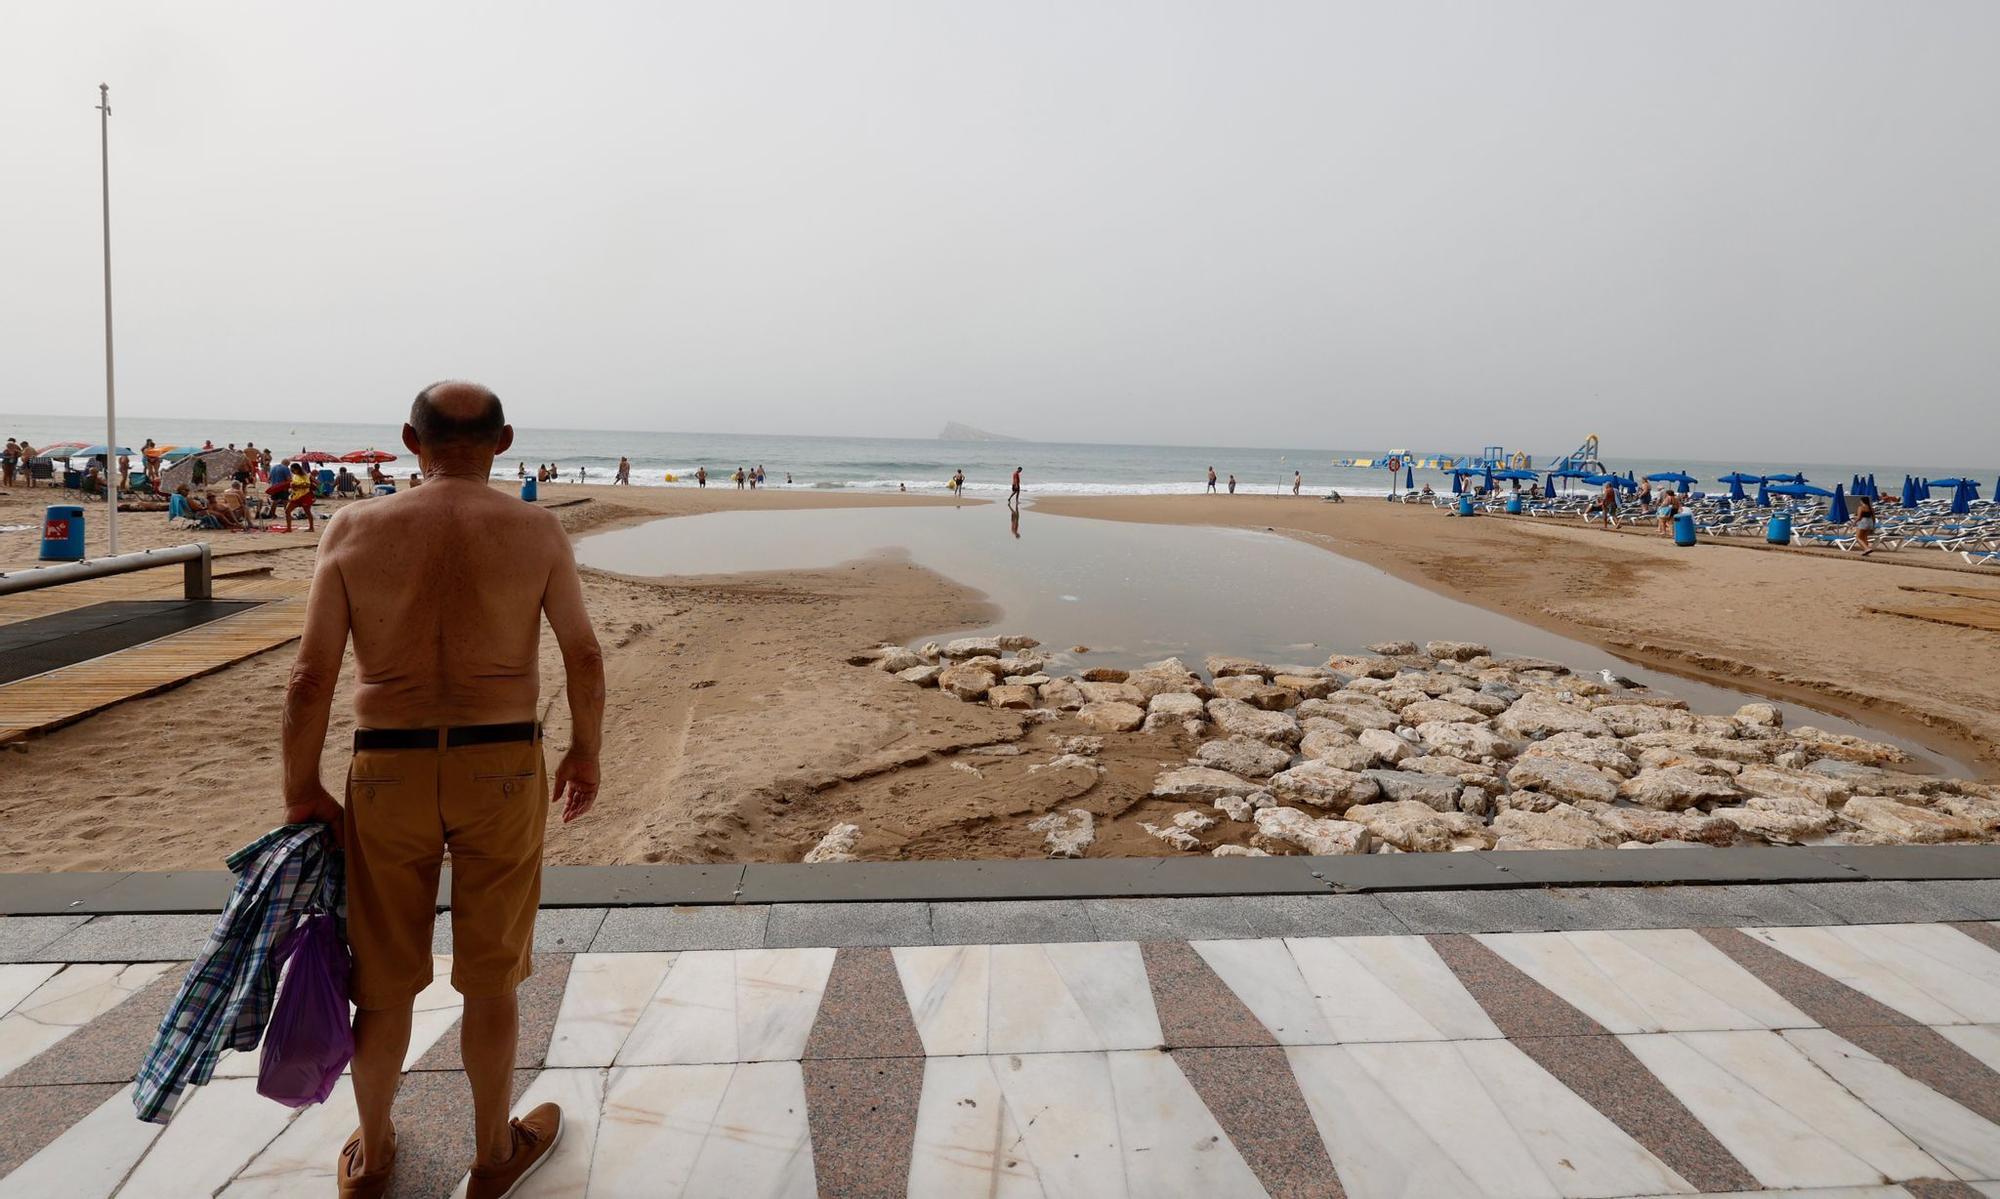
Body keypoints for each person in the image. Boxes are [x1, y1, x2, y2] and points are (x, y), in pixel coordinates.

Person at [282, 381, 603, 1199]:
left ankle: (377, 1152)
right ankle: (494, 1152)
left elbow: (311, 674)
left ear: (408, 441)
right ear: (503, 442)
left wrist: (301, 787)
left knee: (382, 978)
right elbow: (585, 655)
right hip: (499, 763)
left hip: (385, 765)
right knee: (491, 974)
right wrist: (584, 752)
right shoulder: (535, 530)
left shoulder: (353, 527)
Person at [284, 462, 317, 532]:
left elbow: (308, 485)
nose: (292, 471)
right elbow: (293, 484)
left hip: (305, 495)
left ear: (298, 469)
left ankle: (311, 527)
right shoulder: (295, 475)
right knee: (287, 511)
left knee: (307, 512)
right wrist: (292, 487)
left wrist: (297, 486)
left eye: (293, 470)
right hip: (296, 496)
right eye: (291, 470)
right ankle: (289, 528)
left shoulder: (305, 476)